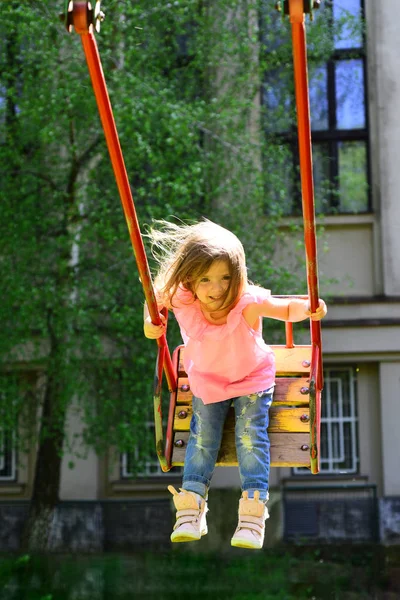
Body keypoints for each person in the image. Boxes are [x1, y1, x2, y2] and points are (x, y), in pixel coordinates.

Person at [143, 219, 327, 550]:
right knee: (202, 439)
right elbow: (153, 298)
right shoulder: (183, 298)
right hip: (208, 383)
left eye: (226, 277)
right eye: (206, 279)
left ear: (237, 276)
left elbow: (283, 308)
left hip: (251, 380)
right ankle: (191, 506)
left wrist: (310, 309)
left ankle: (253, 513)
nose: (217, 288)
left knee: (249, 436)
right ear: (190, 280)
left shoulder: (245, 301)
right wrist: (149, 323)